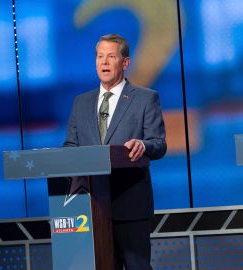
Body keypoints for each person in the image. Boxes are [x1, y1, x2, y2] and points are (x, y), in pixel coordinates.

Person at [64, 33, 167, 270]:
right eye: (100, 57)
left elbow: (158, 144)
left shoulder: (145, 98)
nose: (104, 62)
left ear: (125, 62)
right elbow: (70, 146)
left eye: (111, 56)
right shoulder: (81, 102)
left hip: (130, 203)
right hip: (89, 208)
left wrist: (143, 146)